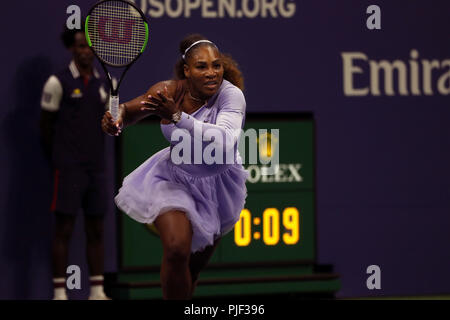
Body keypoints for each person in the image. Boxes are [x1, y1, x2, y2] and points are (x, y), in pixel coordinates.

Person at [101, 34, 249, 299]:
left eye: (217, 65)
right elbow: (130, 110)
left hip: (218, 185)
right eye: (202, 66)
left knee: (191, 269)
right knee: (177, 248)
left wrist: (178, 118)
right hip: (173, 179)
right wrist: (118, 118)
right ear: (186, 70)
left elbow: (225, 140)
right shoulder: (168, 91)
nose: (212, 72)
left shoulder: (231, 95)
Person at [40, 26, 111, 300]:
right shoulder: (57, 82)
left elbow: (108, 121)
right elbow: (45, 127)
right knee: (64, 229)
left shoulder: (102, 83)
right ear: (72, 49)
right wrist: (61, 159)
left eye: (90, 47)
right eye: (81, 46)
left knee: (96, 229)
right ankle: (60, 293)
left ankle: (97, 291)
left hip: (97, 169)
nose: (86, 52)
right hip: (68, 168)